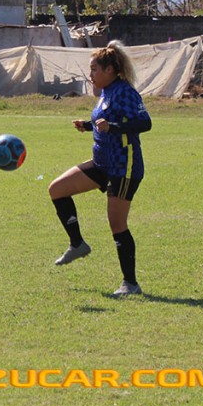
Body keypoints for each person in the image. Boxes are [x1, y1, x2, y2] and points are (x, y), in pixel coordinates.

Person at [47, 41, 152, 298]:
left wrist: (112, 127)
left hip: (123, 166)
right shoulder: (105, 91)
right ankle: (77, 244)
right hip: (102, 162)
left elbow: (144, 123)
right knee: (57, 189)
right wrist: (88, 125)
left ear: (110, 70)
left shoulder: (124, 92)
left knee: (117, 224)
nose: (90, 74)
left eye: (94, 69)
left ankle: (130, 284)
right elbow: (105, 120)